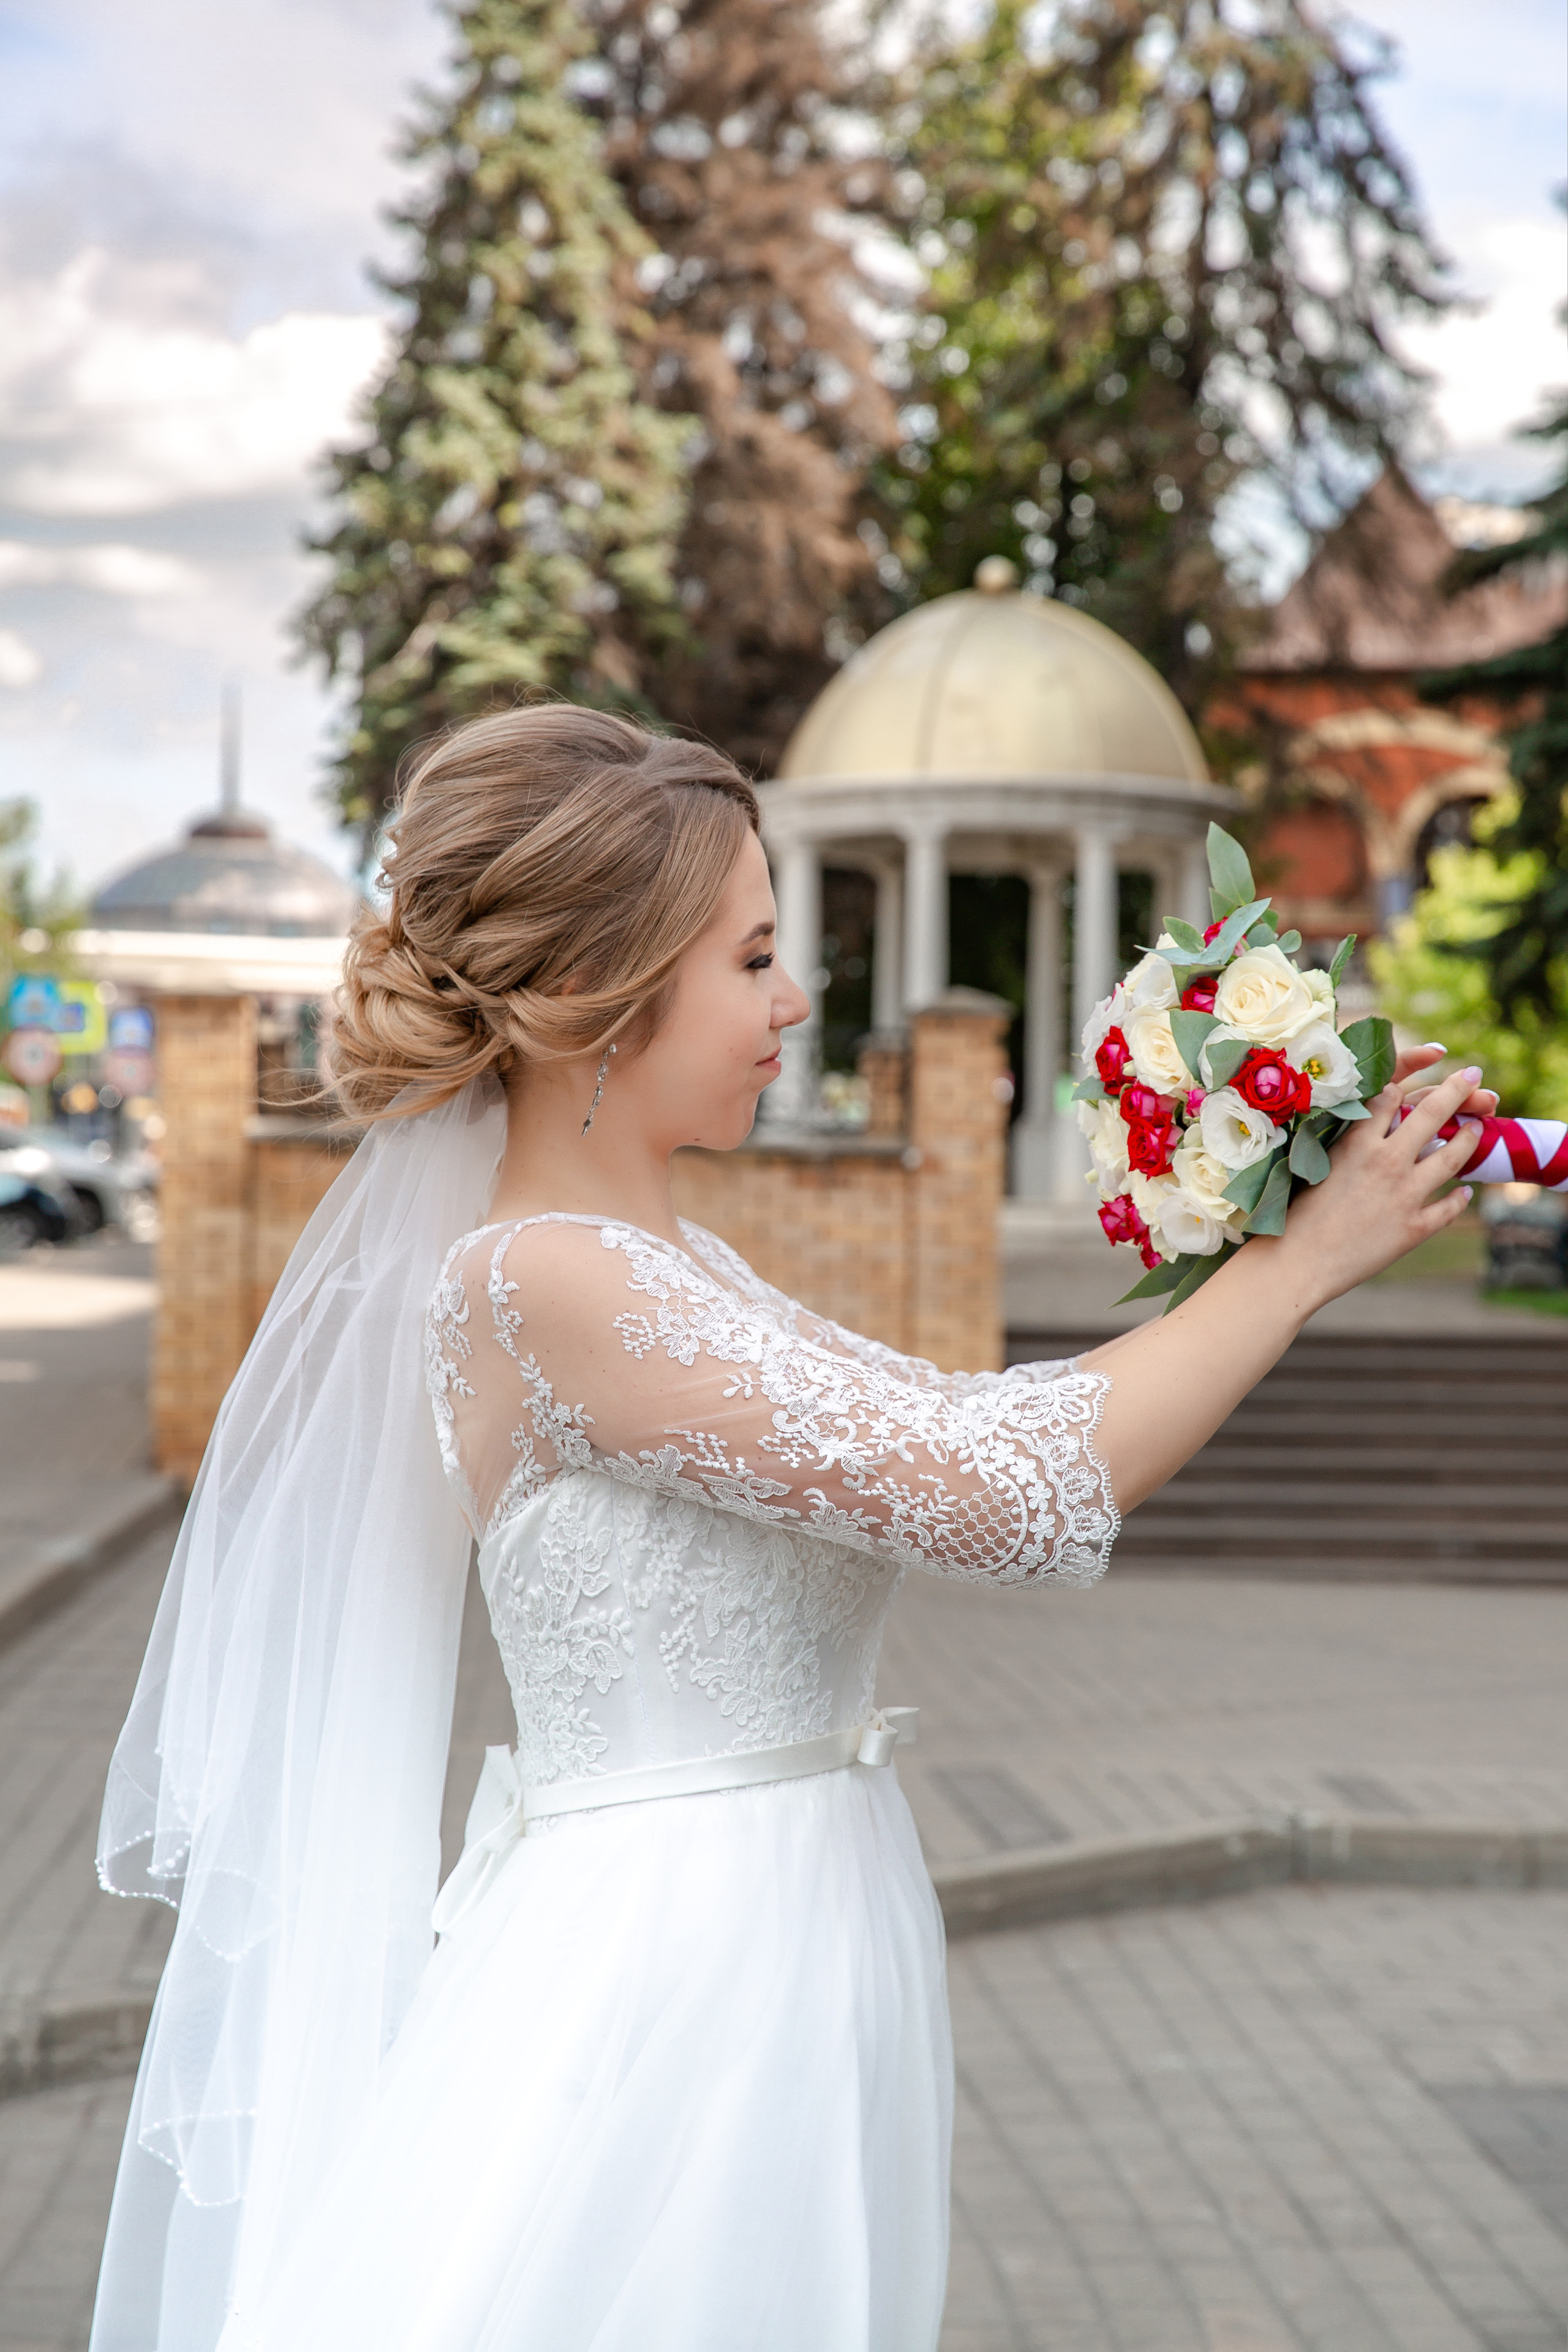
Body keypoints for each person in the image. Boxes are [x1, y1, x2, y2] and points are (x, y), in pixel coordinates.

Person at [90, 708, 1493, 2352]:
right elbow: (1005, 1492)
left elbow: (976, 1430)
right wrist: (1300, 1263)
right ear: (600, 991)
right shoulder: (543, 1281)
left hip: (779, 1928)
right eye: (754, 957)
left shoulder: (669, 1268)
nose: (796, 1000)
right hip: (677, 1976)